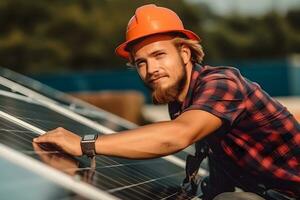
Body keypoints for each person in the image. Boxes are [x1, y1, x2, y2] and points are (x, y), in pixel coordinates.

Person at [33, 4, 300, 200]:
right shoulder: (181, 100)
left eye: (159, 55)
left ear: (185, 53)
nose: (151, 70)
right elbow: (225, 167)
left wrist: (84, 144)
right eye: (141, 62)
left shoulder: (222, 83)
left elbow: (176, 136)